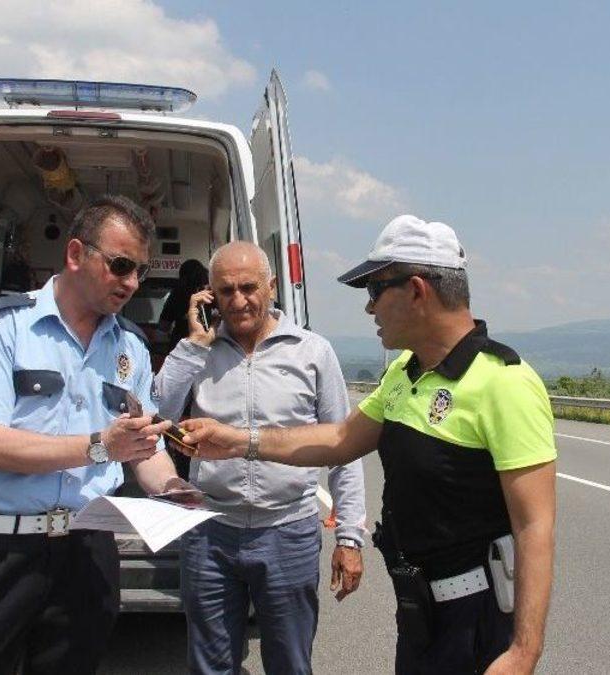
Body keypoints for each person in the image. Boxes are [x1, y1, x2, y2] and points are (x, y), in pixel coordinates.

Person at [179, 216, 557, 675]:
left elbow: (534, 526)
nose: (369, 308)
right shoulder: (404, 373)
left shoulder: (506, 383)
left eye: (375, 291)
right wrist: (238, 441)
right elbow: (340, 439)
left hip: (474, 617)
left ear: (416, 290)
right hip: (419, 612)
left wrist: (523, 652)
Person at [0, 195, 190, 675]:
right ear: (76, 254)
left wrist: (171, 487)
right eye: (121, 265)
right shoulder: (2, 327)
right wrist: (98, 446)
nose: (131, 283)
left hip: (88, 554)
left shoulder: (131, 347)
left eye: (140, 272)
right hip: (0, 549)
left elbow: (144, 448)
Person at [154, 241, 368, 674]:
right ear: (210, 295)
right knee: (210, 666)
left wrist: (349, 537)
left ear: (271, 286)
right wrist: (193, 344)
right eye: (225, 291)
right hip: (210, 533)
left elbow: (344, 447)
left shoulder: (312, 352)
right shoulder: (199, 351)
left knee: (290, 663)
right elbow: (158, 412)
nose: (238, 301)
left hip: (288, 531)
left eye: (248, 287)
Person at [158, 257, 210, 345]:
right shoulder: (210, 294)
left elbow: (164, 326)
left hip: (181, 343)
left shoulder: (176, 295)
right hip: (207, 343)